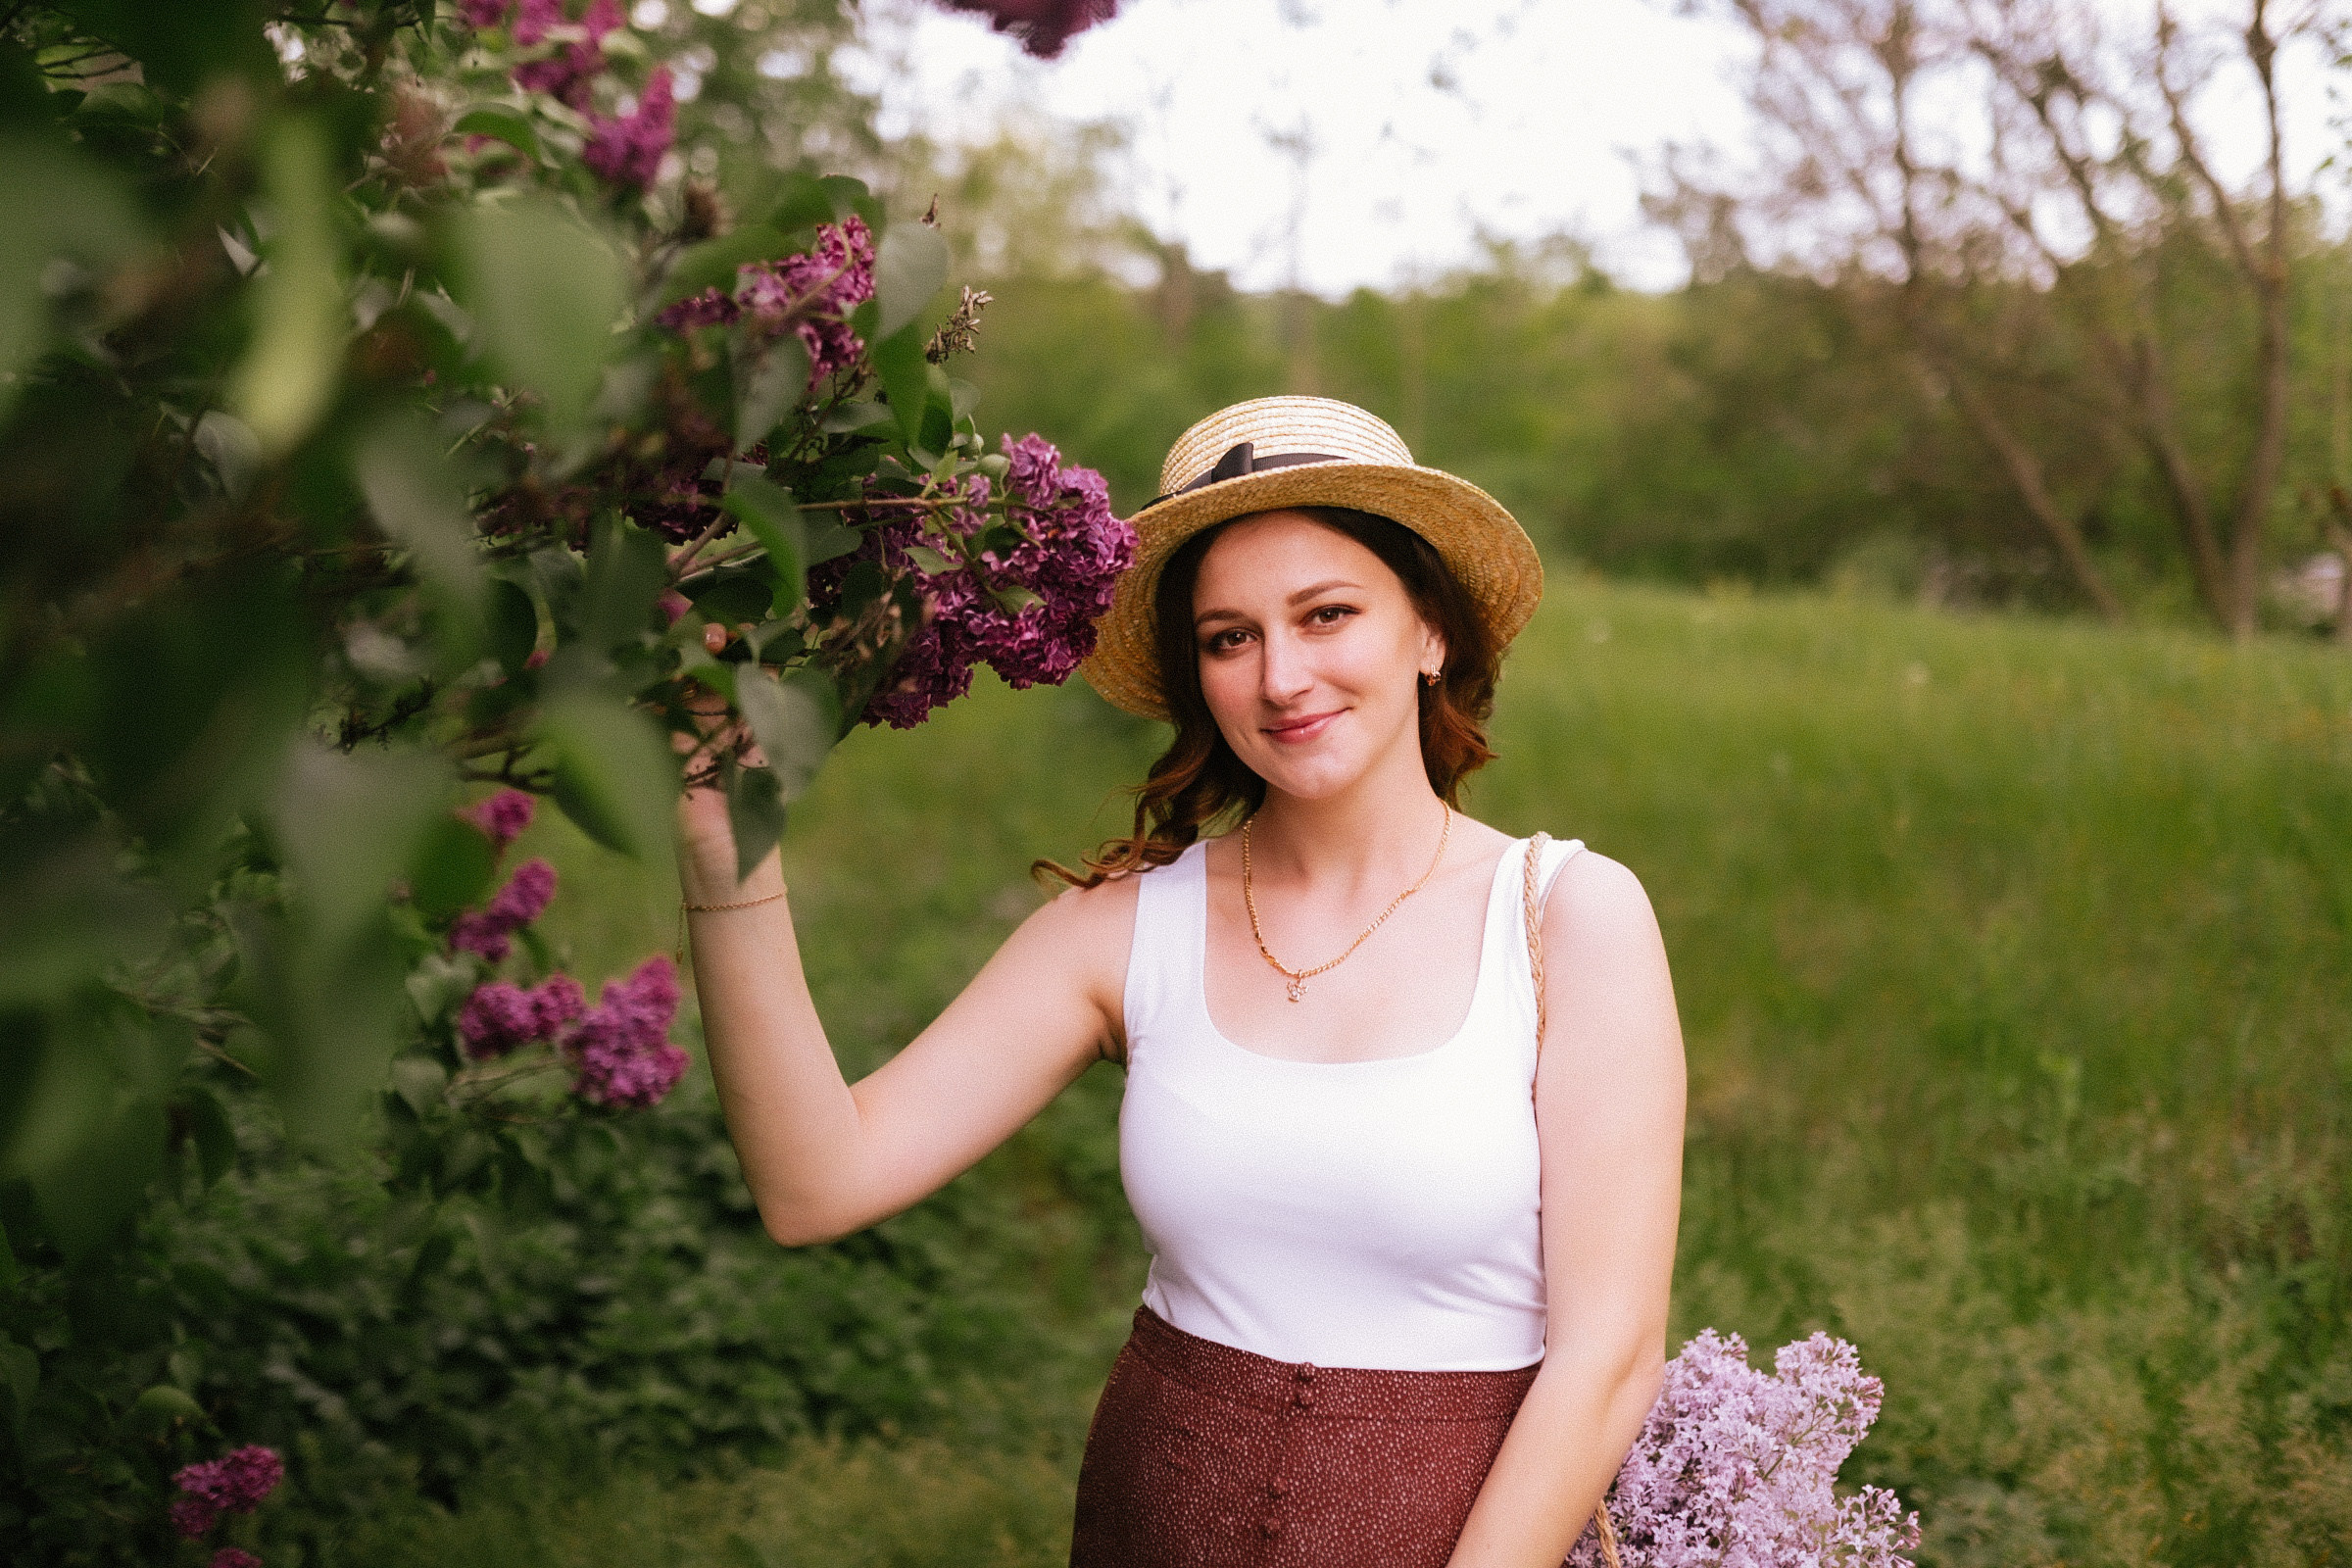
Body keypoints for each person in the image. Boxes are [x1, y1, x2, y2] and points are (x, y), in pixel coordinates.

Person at [675, 396, 1687, 1568]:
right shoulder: (1127, 928)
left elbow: (1610, 1349)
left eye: (1328, 614)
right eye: (1229, 636)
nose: (1282, 676)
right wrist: (723, 844)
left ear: (1430, 631)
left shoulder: (1566, 916)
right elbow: (818, 1182)